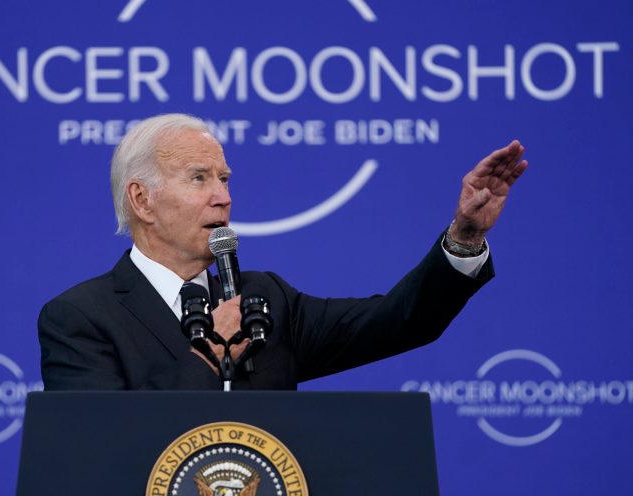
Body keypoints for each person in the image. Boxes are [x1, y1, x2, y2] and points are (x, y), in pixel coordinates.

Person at [38, 113, 527, 391]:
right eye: (199, 178)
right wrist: (210, 353)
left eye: (225, 179)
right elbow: (100, 450)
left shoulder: (265, 299)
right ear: (142, 199)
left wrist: (463, 237)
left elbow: (398, 321)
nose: (223, 196)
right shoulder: (81, 318)